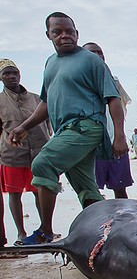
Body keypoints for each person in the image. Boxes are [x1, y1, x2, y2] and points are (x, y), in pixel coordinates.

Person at [9, 12, 127, 245]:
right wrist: (24, 126)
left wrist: (120, 136)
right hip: (65, 129)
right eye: (58, 32)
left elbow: (113, 99)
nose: (64, 36)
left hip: (86, 126)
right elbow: (45, 102)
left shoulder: (91, 61)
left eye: (69, 31)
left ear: (77, 33)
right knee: (85, 186)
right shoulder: (51, 63)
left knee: (43, 163)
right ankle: (105, 234)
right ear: (48, 35)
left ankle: (45, 231)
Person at [0, 59, 50, 244]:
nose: (12, 76)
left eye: (15, 72)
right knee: (15, 195)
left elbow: (48, 124)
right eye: (7, 73)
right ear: (0, 77)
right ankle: (21, 233)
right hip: (11, 156)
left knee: (41, 191)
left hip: (39, 153)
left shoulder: (37, 99)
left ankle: (45, 229)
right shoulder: (0, 102)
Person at [83, 42, 134, 199]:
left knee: (120, 186)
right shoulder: (78, 82)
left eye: (100, 53)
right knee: (90, 190)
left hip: (114, 141)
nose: (98, 56)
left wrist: (120, 137)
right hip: (89, 144)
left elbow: (122, 107)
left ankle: (123, 221)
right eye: (92, 53)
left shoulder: (114, 81)